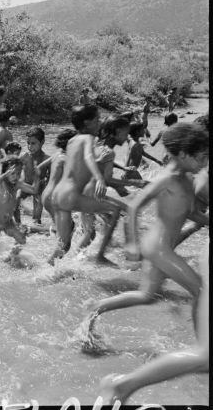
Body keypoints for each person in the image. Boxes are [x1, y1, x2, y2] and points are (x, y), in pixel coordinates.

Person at [83, 122, 209, 344]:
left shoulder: (187, 179)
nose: (205, 162)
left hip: (163, 246)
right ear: (181, 154)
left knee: (146, 296)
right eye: (200, 158)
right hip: (157, 247)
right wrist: (131, 243)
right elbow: (133, 206)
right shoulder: (166, 178)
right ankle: (202, 351)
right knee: (201, 290)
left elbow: (191, 214)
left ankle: (96, 308)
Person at [99, 243, 209, 404]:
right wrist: (133, 240)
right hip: (159, 247)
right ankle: (122, 384)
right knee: (205, 357)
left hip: (159, 247)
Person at [48, 105, 120, 266]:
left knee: (63, 246)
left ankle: (42, 275)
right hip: (70, 195)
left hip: (58, 194)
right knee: (115, 210)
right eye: (97, 119)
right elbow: (88, 157)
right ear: (87, 123)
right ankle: (100, 255)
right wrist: (99, 178)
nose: (100, 122)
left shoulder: (72, 140)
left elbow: (78, 163)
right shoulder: (88, 139)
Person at [76, 116, 146, 266]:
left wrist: (123, 168)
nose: (127, 136)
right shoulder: (109, 152)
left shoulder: (97, 144)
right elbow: (108, 180)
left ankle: (83, 257)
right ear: (118, 131)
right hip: (92, 194)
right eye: (126, 133)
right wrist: (137, 182)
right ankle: (104, 255)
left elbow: (103, 161)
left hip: (83, 191)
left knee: (92, 230)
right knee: (125, 211)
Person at [0, 157, 36, 259]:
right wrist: (5, 175)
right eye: (12, 173)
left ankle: (11, 257)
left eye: (18, 173)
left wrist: (37, 176)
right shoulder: (1, 183)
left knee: (22, 240)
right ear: (5, 173)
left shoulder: (17, 184)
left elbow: (34, 190)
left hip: (8, 222)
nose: (16, 177)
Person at [40, 128, 77, 235]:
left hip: (46, 195)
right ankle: (31, 230)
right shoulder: (65, 158)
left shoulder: (57, 154)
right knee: (66, 230)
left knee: (63, 228)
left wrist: (46, 179)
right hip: (53, 198)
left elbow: (38, 168)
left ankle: (39, 234)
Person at [16, 127, 50, 226]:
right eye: (28, 143)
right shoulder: (24, 157)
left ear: (42, 142)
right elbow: (13, 170)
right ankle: (18, 223)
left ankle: (36, 222)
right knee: (16, 198)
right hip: (26, 185)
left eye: (33, 143)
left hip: (39, 188)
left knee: (38, 206)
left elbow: (51, 178)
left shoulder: (47, 159)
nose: (30, 146)